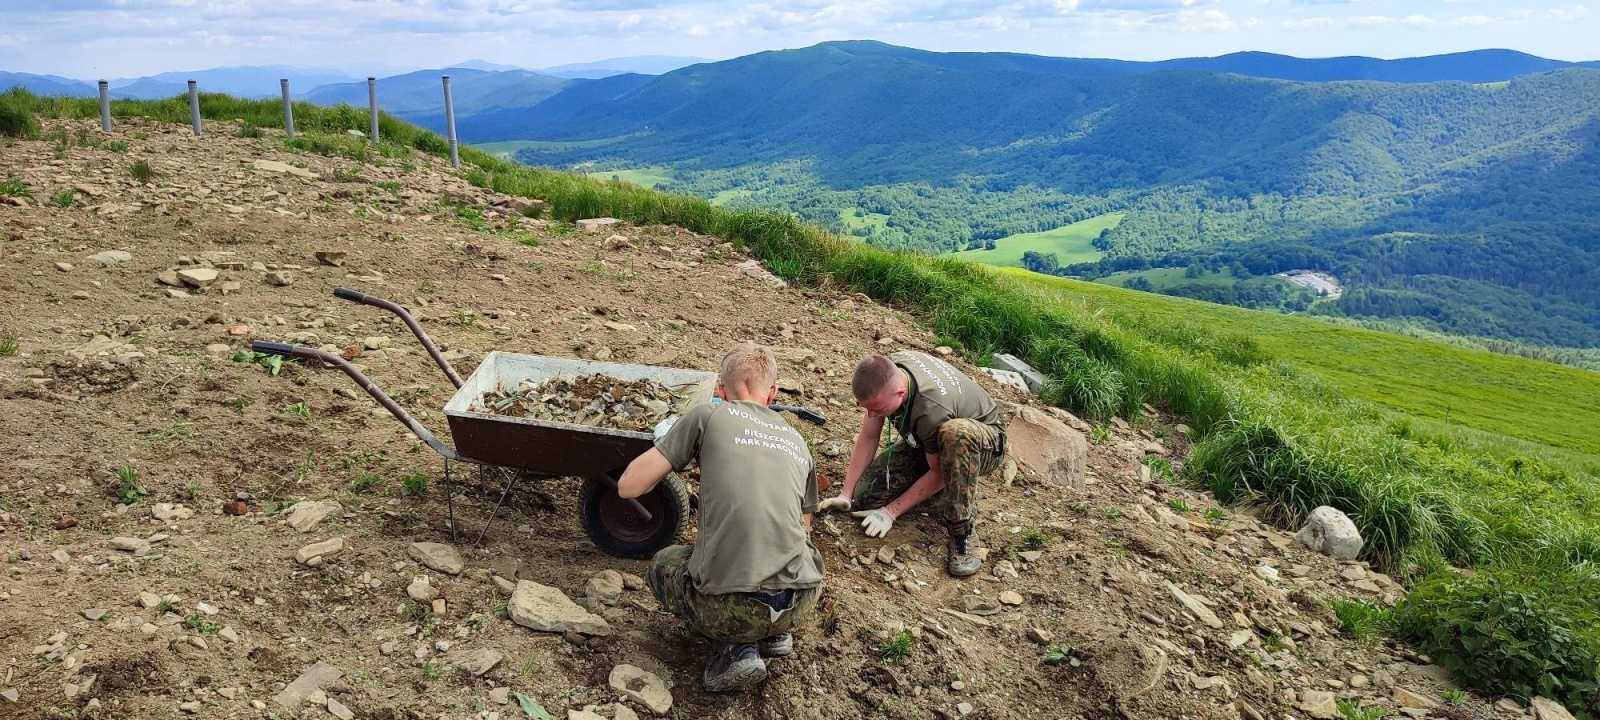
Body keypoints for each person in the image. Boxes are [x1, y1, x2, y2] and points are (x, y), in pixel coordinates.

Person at [618, 343, 824, 692]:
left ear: (718, 389)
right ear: (772, 393)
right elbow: (805, 529)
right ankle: (774, 633)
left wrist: (671, 445)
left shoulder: (707, 415)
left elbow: (628, 486)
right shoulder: (797, 439)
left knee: (665, 564)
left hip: (730, 608)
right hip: (801, 599)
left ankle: (736, 648)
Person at [819, 351, 1005, 577]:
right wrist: (846, 494)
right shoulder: (888, 372)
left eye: (877, 409)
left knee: (954, 434)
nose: (871, 414)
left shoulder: (932, 409)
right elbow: (868, 437)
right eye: (867, 408)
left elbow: (938, 472)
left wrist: (890, 512)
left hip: (981, 444)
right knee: (867, 496)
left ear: (900, 393)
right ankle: (943, 480)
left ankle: (962, 527)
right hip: (929, 437)